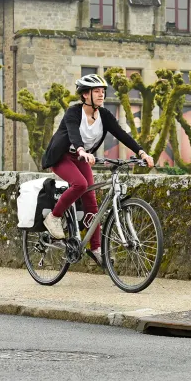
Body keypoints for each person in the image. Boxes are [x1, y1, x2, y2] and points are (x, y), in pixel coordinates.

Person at [41, 74, 155, 266]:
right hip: (62, 157)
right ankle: (54, 217)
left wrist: (142, 153)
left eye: (103, 91)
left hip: (82, 157)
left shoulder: (104, 115)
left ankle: (96, 248)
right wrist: (80, 150)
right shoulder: (73, 113)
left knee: (91, 201)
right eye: (97, 91)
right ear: (85, 95)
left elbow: (121, 134)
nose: (101, 95)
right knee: (80, 184)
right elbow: (73, 132)